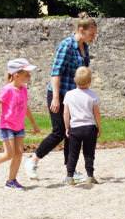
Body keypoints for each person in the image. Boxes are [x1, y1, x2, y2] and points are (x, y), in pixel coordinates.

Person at [26, 13, 97, 181]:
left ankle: (70, 171)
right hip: (59, 93)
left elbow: (82, 74)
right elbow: (56, 72)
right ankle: (33, 160)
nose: (94, 37)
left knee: (70, 132)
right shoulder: (66, 45)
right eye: (92, 33)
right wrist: (56, 98)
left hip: (73, 97)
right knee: (58, 132)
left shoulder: (84, 48)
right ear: (81, 30)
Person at [0, 58, 41, 190]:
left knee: (19, 153)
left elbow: (26, 108)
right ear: (16, 74)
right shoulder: (7, 89)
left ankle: (11, 181)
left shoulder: (24, 90)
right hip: (6, 125)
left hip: (19, 126)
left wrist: (34, 124)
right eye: (27, 74)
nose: (29, 76)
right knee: (9, 154)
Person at [63, 67, 102, 185]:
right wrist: (99, 127)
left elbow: (66, 113)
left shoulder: (69, 95)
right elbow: (96, 113)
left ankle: (70, 177)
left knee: (73, 153)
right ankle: (90, 175)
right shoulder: (93, 95)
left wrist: (67, 127)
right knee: (89, 153)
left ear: (75, 80)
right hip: (90, 128)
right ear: (90, 81)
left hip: (75, 128)